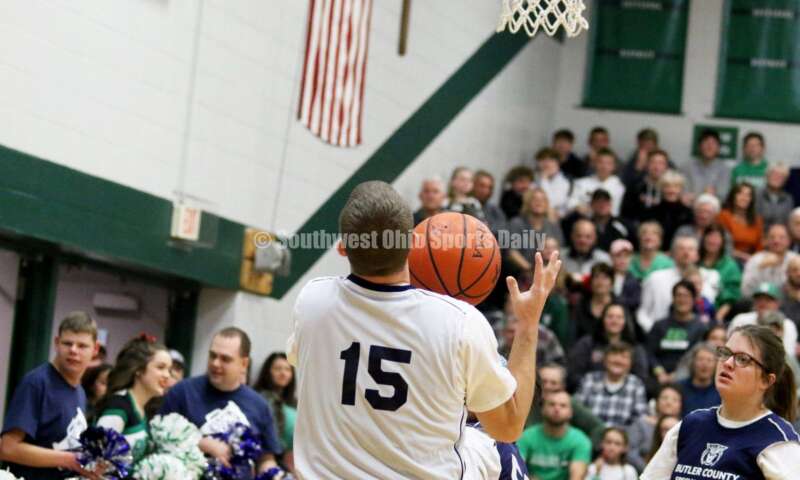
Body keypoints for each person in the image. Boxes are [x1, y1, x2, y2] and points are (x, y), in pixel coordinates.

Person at [287, 180, 562, 478]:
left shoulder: (312, 302)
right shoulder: (460, 322)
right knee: (500, 447)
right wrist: (528, 324)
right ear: (412, 244)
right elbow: (509, 427)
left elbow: (303, 356)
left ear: (342, 248)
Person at [642, 325, 800, 479]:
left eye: (742, 359)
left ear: (766, 380)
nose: (727, 363)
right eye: (725, 353)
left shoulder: (777, 442)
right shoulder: (690, 425)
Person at [160, 327, 283, 476]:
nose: (216, 363)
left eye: (225, 359)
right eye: (212, 356)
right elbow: (159, 441)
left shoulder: (259, 405)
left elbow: (266, 459)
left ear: (244, 364)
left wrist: (273, 474)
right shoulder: (182, 393)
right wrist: (200, 444)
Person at [0, 312, 102, 480]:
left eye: (82, 346)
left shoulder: (80, 391)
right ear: (56, 343)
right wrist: (70, 460)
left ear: (95, 349)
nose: (73, 351)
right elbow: (7, 448)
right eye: (67, 343)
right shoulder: (37, 383)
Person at [94, 335, 172, 461]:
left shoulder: (144, 407)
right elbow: (96, 459)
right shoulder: (118, 406)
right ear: (139, 370)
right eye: (161, 367)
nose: (167, 375)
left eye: (169, 370)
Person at [637, 236, 720, 333]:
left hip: (697, 336)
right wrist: (654, 331)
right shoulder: (655, 278)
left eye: (690, 249)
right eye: (681, 248)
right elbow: (642, 312)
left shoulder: (709, 277)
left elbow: (710, 312)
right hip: (660, 334)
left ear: (697, 254)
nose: (686, 253)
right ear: (673, 254)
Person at [567, 303, 649, 392]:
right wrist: (595, 387)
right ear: (602, 319)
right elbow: (574, 374)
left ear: (625, 321)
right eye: (610, 317)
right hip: (590, 391)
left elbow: (641, 378)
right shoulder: (587, 343)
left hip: (626, 393)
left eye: (619, 317)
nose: (614, 321)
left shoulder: (635, 348)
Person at [517, 391, 592, 480]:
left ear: (570, 413)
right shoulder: (525, 437)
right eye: (552, 404)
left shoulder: (580, 440)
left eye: (563, 405)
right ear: (543, 409)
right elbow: (517, 471)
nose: (557, 409)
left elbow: (576, 477)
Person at [524, 364, 605, 443]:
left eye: (553, 383)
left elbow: (598, 428)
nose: (547, 386)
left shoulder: (569, 403)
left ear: (562, 386)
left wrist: (588, 450)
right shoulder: (526, 403)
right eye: (544, 382)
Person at [647, 281, 708, 384]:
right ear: (673, 298)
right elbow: (649, 353)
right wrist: (659, 372)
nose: (682, 300)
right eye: (678, 295)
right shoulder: (659, 325)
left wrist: (677, 375)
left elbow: (696, 357)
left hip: (687, 379)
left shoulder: (700, 328)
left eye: (686, 296)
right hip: (659, 378)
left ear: (693, 299)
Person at [574, 342, 648, 428]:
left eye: (624, 357)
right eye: (614, 355)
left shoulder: (636, 384)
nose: (618, 360)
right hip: (590, 434)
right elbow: (576, 411)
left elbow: (640, 418)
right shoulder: (590, 379)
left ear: (630, 363)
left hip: (623, 437)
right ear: (604, 360)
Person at [253, 352, 297, 473]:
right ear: (268, 372)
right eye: (277, 369)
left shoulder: (294, 403)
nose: (283, 373)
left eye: (287, 369)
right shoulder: (259, 399)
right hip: (265, 459)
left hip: (289, 461)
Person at [728, 282, 798, 355]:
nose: (763, 303)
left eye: (768, 300)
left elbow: (789, 354)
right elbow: (730, 346)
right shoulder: (741, 319)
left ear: (778, 303)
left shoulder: (787, 324)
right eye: (759, 299)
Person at [626, 384, 682, 472]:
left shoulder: (685, 427)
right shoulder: (641, 423)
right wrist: (649, 471)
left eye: (675, 399)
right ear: (656, 402)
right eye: (664, 398)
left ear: (681, 405)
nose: (669, 402)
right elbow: (630, 452)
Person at [741, 223, 798, 297]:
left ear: (789, 240)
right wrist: (760, 267)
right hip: (761, 302)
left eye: (782, 237)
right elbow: (745, 291)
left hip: (790, 303)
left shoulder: (796, 259)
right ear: (766, 240)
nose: (776, 241)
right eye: (772, 237)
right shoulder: (756, 260)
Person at [698, 224, 742, 322]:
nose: (712, 241)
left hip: (716, 313)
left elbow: (731, 296)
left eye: (716, 237)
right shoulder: (694, 261)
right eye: (710, 236)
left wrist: (718, 317)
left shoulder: (730, 266)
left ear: (722, 242)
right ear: (703, 239)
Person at [641, 170, 693, 250]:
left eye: (676, 186)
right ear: (661, 188)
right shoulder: (651, 212)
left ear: (681, 189)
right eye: (667, 186)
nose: (671, 190)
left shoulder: (688, 213)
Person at [567, 148, 625, 217]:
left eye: (608, 163)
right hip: (583, 220)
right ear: (594, 164)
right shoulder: (580, 183)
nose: (604, 166)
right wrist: (577, 207)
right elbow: (570, 204)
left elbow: (615, 212)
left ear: (614, 166)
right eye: (601, 162)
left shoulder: (619, 187)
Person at [717, 182, 763, 264]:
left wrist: (755, 259)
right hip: (728, 258)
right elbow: (721, 246)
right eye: (740, 194)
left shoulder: (757, 220)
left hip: (751, 261)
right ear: (733, 196)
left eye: (748, 195)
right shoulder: (723, 216)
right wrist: (744, 256)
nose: (744, 198)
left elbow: (759, 246)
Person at [620, 149, 669, 223]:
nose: (656, 167)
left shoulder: (671, 188)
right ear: (646, 165)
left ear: (666, 166)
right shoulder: (635, 186)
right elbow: (626, 214)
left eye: (661, 163)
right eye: (653, 162)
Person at [683, 129, 731, 202]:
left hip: (714, 211)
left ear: (718, 148)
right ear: (699, 146)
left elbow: (723, 196)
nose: (709, 146)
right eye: (706, 142)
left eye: (713, 143)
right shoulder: (686, 167)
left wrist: (695, 195)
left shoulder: (724, 169)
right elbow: (684, 195)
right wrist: (705, 193)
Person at [677, 342, 721, 416]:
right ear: (692, 362)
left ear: (716, 364)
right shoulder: (679, 388)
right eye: (700, 359)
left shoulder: (721, 390)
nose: (704, 364)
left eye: (709, 360)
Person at [534, 147, 571, 219]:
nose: (546, 164)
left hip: (555, 217)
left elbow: (551, 203)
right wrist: (544, 178)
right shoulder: (533, 178)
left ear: (558, 163)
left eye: (551, 160)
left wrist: (544, 179)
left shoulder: (564, 182)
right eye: (543, 160)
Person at [757, 162, 793, 231]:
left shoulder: (788, 199)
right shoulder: (757, 194)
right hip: (759, 235)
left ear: (785, 180)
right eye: (774, 174)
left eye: (781, 176)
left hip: (779, 237)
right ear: (767, 176)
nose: (777, 178)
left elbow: (787, 223)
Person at [609, 240, 641, 314]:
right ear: (611, 257)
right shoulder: (606, 277)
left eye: (626, 256)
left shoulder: (634, 281)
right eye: (618, 256)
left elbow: (635, 302)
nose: (622, 260)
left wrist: (616, 300)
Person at [472, 170, 507, 236]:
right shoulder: (464, 206)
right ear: (473, 185)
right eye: (482, 186)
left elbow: (502, 231)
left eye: (490, 188)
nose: (486, 191)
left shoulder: (495, 210)